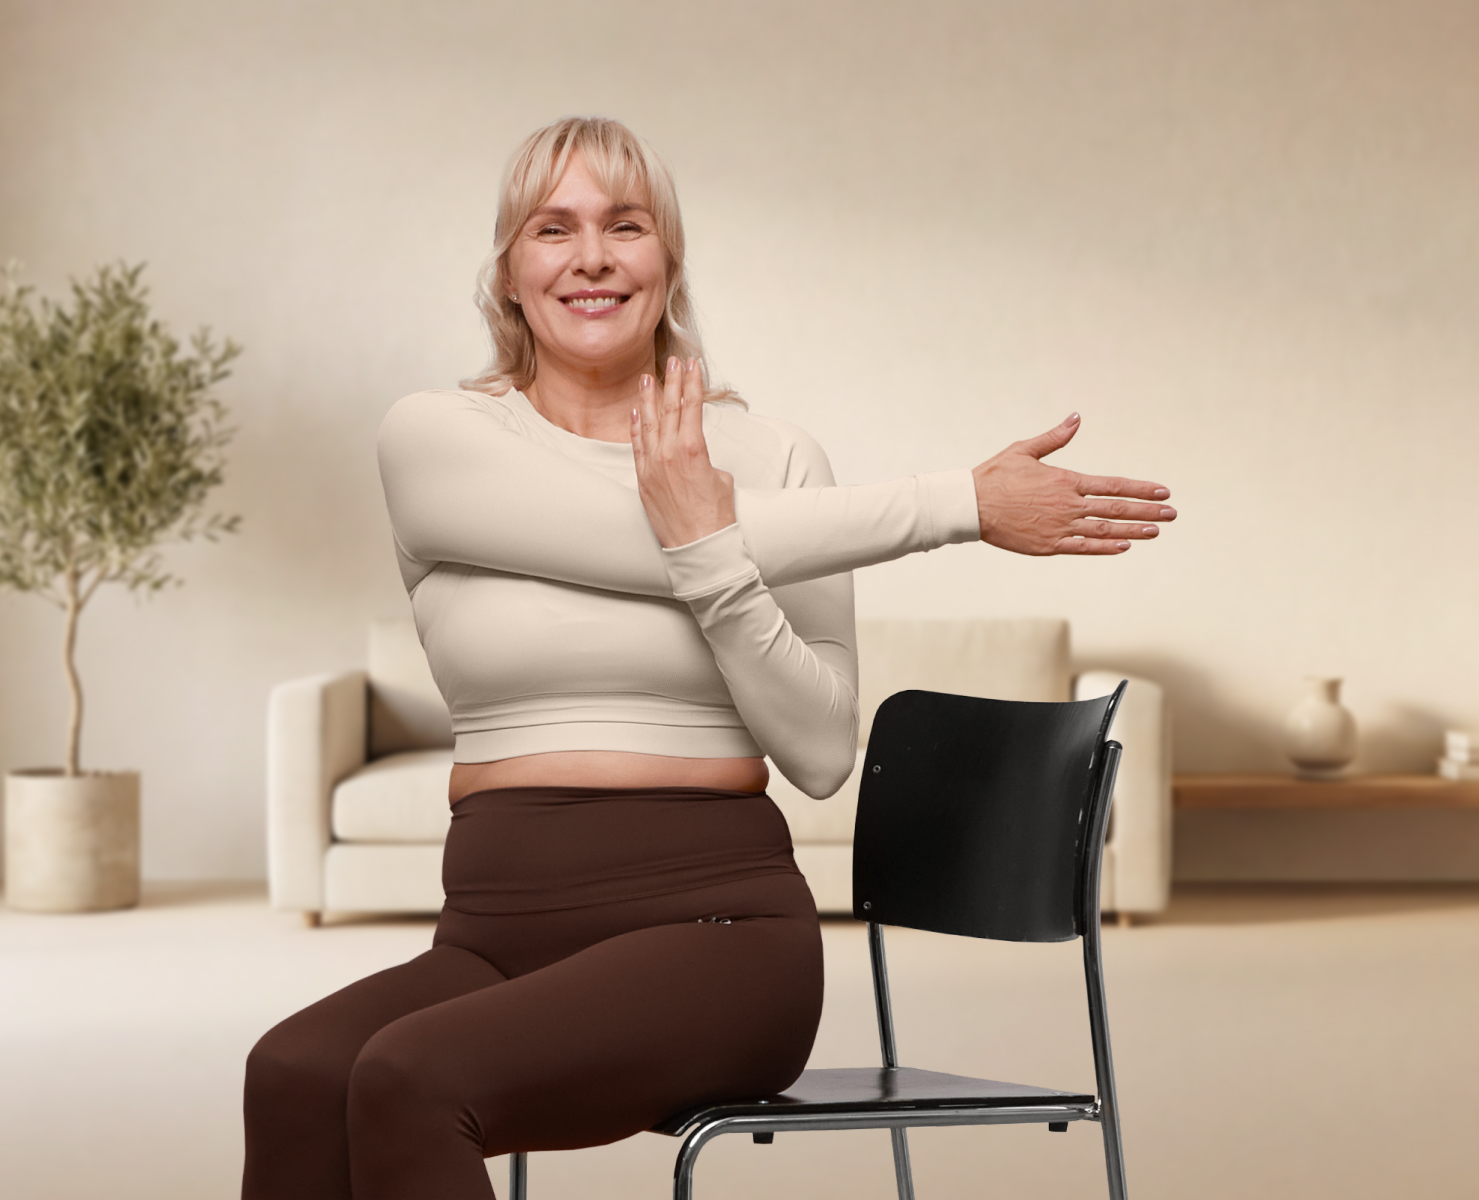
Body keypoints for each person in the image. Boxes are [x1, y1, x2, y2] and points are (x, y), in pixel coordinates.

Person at [241, 116, 1175, 1199]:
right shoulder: (438, 439)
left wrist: (713, 559)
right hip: (495, 934)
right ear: (507, 272)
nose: (590, 256)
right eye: (553, 228)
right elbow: (621, 530)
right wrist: (957, 502)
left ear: (667, 263)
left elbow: (822, 751)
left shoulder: (773, 455)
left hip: (720, 936)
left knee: (408, 1077)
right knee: (296, 1071)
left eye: (625, 226)